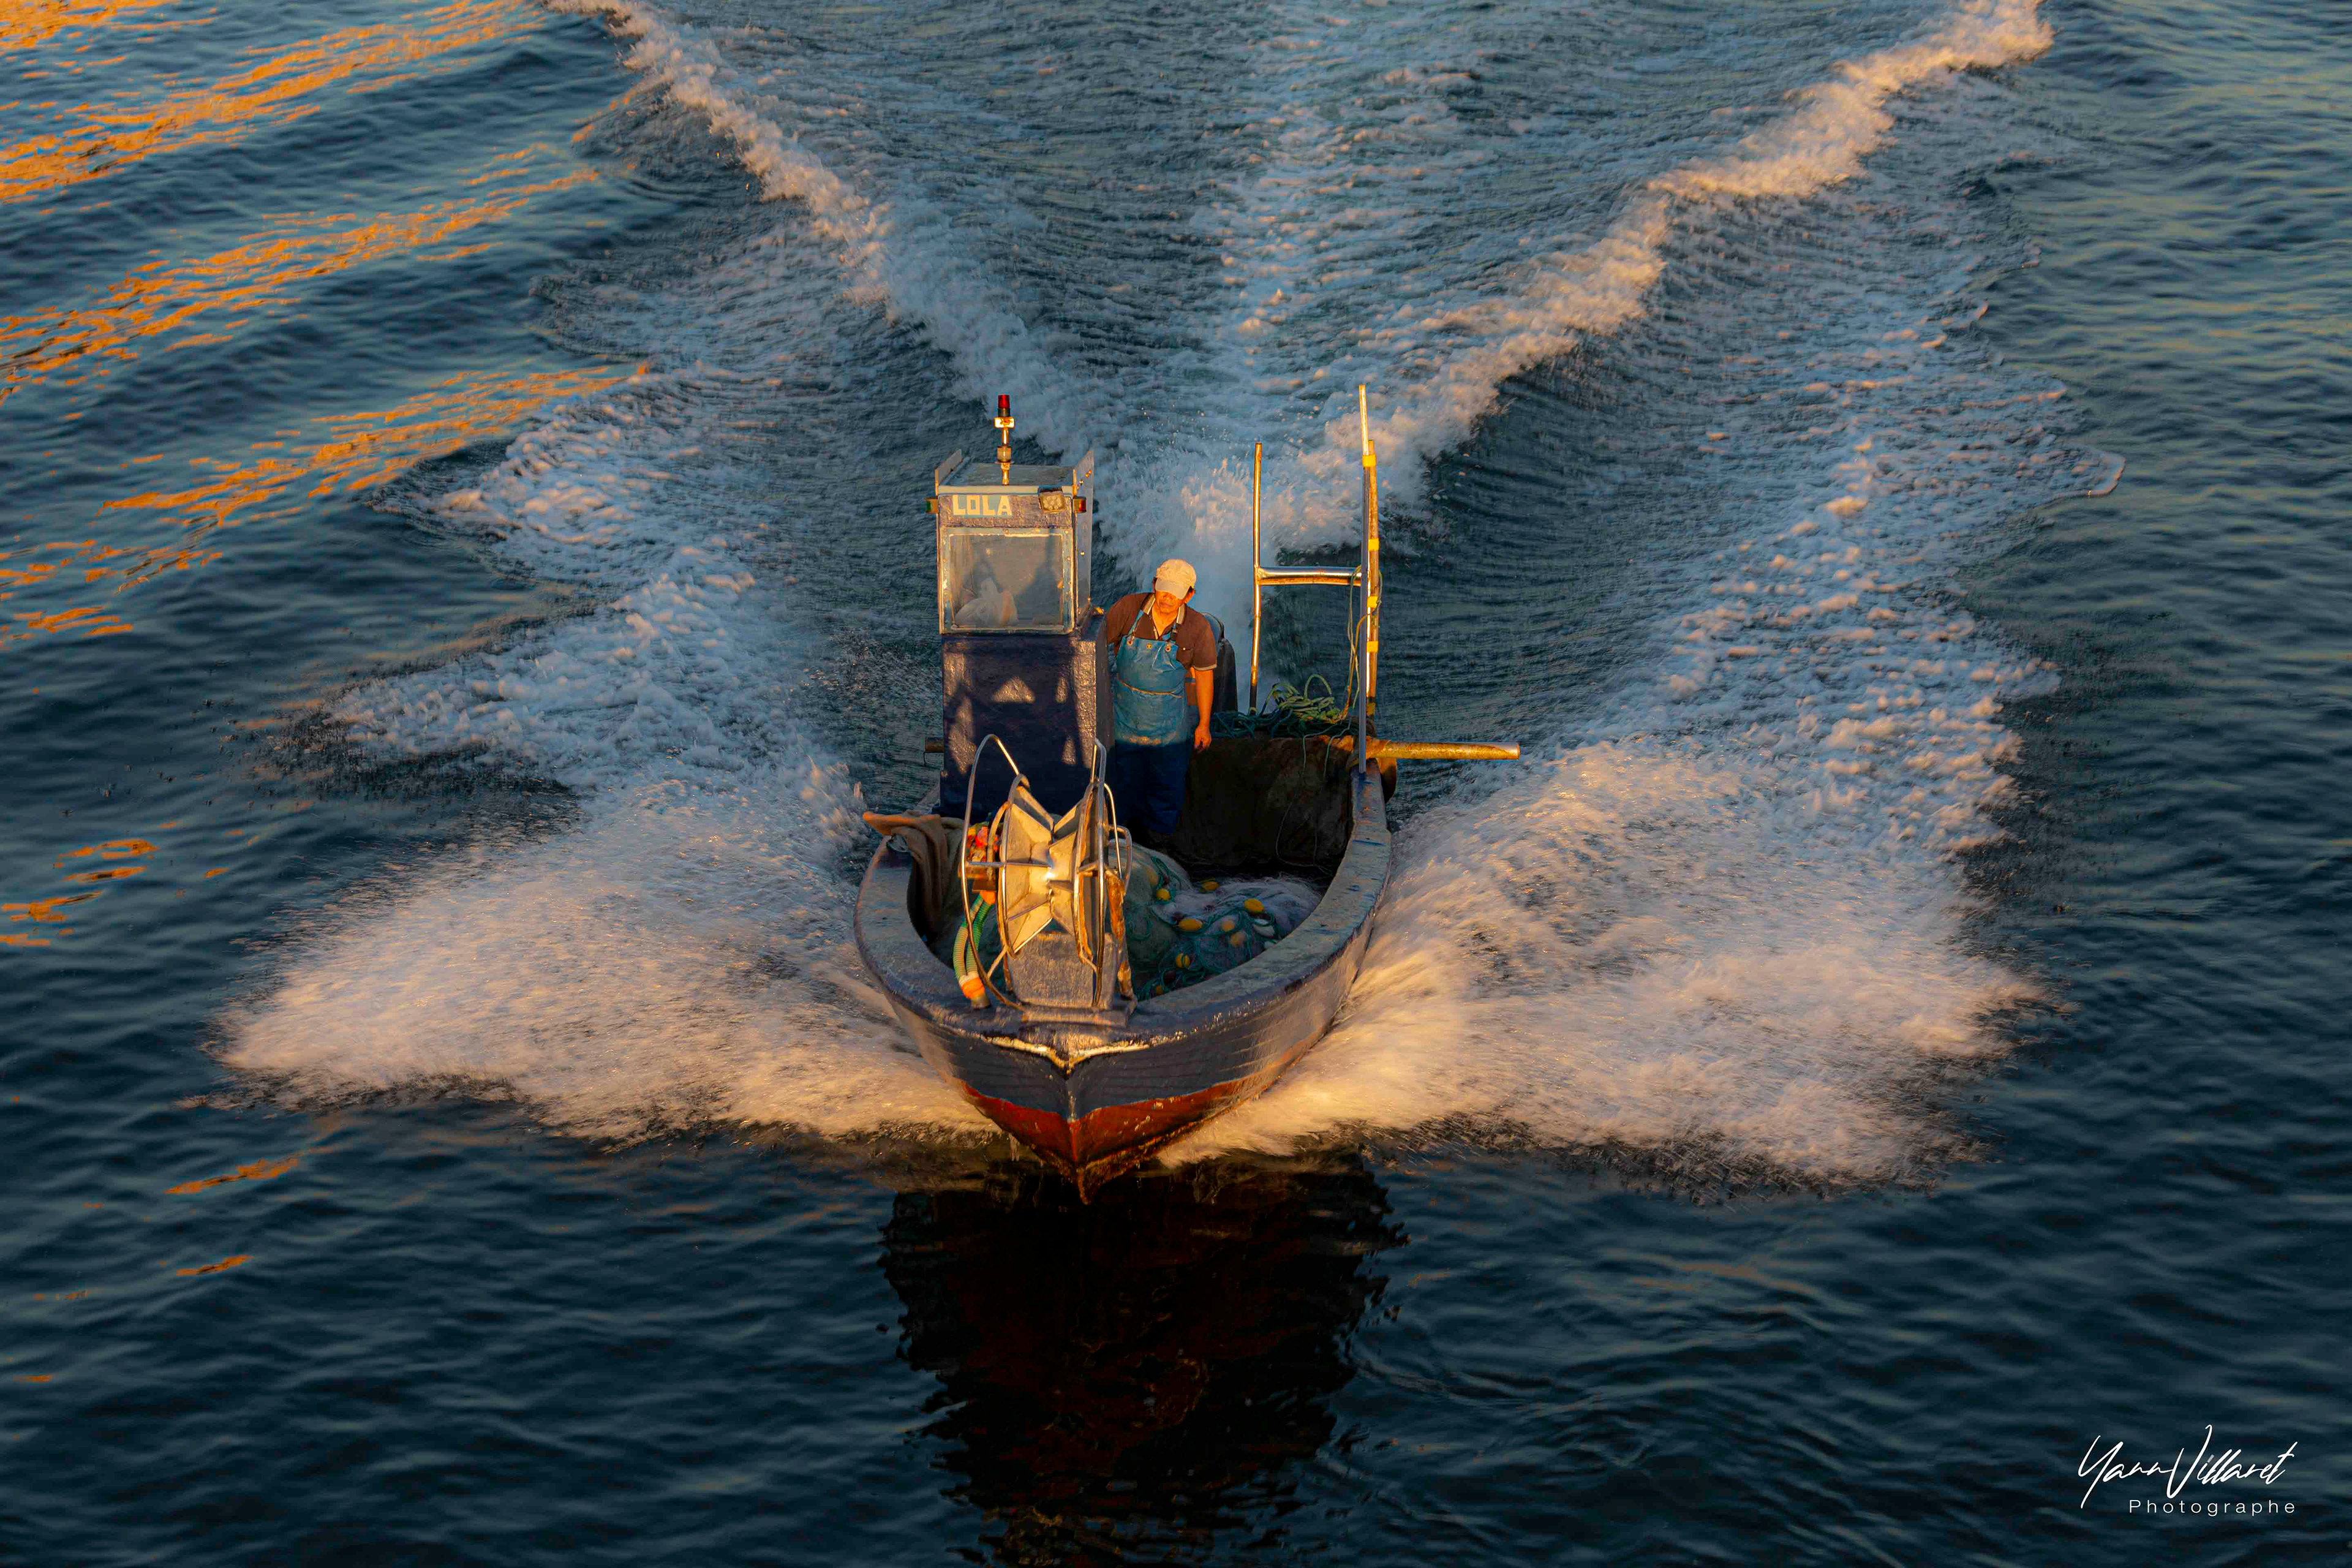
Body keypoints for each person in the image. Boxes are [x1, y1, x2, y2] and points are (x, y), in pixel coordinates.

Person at [1102, 558, 1217, 850]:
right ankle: (1117, 844)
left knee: (1166, 786)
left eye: (1175, 592)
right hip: (1124, 720)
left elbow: (1205, 677)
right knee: (1121, 784)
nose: (1167, 597)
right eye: (1163, 588)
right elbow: (1094, 647)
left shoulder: (1198, 627)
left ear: (1189, 595)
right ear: (1154, 584)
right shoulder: (1128, 608)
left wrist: (1204, 725)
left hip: (1170, 728)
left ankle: (1159, 847)